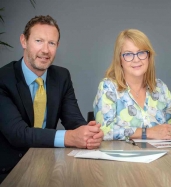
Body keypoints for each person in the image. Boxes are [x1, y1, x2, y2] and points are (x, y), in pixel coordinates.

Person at [0, 15, 103, 182]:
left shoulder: (61, 76)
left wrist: (88, 133)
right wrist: (69, 137)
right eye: (39, 41)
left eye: (52, 43)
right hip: (9, 171)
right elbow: (18, 133)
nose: (45, 50)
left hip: (48, 164)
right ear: (24, 41)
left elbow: (73, 120)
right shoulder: (4, 79)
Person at [93, 29, 171, 140]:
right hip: (120, 156)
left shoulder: (161, 88)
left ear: (149, 56)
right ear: (119, 59)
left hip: (159, 154)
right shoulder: (108, 87)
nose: (136, 59)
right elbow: (104, 131)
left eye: (141, 53)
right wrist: (147, 133)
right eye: (128, 54)